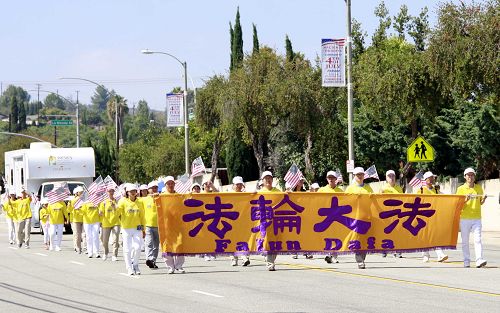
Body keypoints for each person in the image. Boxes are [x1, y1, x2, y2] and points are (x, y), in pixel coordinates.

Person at [456, 168, 487, 268]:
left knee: (478, 239)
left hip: (477, 218)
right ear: (465, 177)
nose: (470, 177)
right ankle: (466, 261)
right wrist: (465, 199)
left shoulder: (478, 188)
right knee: (465, 241)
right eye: (468, 175)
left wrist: (484, 199)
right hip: (464, 218)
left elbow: (480, 202)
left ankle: (479, 260)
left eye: (472, 175)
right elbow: (458, 204)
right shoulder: (460, 189)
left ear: (474, 176)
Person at [345, 167, 374, 269]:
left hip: (366, 217)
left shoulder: (368, 188)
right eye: (357, 175)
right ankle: (359, 260)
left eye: (361, 174)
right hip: (355, 218)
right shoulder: (350, 188)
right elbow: (346, 202)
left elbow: (373, 202)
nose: (360, 176)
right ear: (354, 176)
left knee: (364, 238)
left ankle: (362, 258)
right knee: (357, 238)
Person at [418, 171, 448, 263]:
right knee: (425, 236)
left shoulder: (436, 190)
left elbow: (445, 198)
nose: (432, 180)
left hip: (434, 215)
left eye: (433, 178)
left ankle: (440, 254)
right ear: (425, 180)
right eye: (430, 178)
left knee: (435, 235)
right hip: (424, 215)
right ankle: (425, 255)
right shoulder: (421, 190)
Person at [117, 184, 146, 275]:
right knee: (127, 249)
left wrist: (143, 229)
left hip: (137, 228)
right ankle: (129, 267)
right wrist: (115, 208)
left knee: (138, 247)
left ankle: (136, 265)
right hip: (126, 228)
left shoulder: (139, 202)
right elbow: (118, 213)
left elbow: (142, 216)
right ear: (127, 192)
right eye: (131, 191)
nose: (133, 193)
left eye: (134, 191)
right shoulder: (122, 201)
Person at [162, 176, 186, 274]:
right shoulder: (161, 197)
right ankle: (170, 266)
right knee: (167, 246)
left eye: (172, 183)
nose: (170, 185)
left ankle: (179, 265)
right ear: (165, 185)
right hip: (166, 225)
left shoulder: (179, 196)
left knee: (180, 244)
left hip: (178, 224)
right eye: (168, 183)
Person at [318, 171, 343, 264]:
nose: (331, 179)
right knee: (327, 237)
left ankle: (333, 256)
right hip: (326, 218)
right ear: (327, 179)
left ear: (336, 179)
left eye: (333, 177)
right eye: (329, 178)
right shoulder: (322, 190)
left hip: (337, 218)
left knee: (336, 236)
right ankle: (328, 254)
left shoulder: (340, 191)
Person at [258, 171, 281, 271]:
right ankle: (270, 263)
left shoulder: (278, 192)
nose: (268, 180)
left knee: (274, 243)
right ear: (262, 181)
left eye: (270, 178)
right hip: (264, 222)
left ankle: (269, 259)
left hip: (276, 222)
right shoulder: (259, 193)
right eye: (266, 178)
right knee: (267, 241)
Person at [380, 170, 403, 258]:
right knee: (386, 232)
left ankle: (397, 250)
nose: (392, 178)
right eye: (389, 176)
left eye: (393, 176)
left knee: (397, 232)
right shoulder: (383, 188)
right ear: (386, 178)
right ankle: (384, 249)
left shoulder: (399, 188)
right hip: (387, 213)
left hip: (397, 213)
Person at [230, 176, 251, 267]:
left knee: (243, 240)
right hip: (231, 221)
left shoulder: (246, 195)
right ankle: (234, 259)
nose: (239, 186)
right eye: (237, 184)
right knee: (233, 240)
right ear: (233, 185)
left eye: (240, 184)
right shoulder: (228, 195)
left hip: (243, 221)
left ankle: (245, 258)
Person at [99, 186, 120, 261]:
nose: (111, 192)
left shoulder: (117, 201)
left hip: (116, 222)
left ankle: (114, 255)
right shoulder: (104, 202)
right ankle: (105, 252)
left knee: (115, 239)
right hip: (106, 223)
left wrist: (115, 207)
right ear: (107, 192)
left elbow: (119, 212)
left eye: (112, 191)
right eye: (109, 191)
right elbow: (101, 212)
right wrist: (101, 213)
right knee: (105, 240)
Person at [142, 181, 160, 269]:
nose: (154, 189)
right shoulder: (144, 199)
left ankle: (153, 261)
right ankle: (149, 258)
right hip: (148, 225)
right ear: (148, 190)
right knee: (149, 243)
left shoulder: (161, 198)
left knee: (156, 245)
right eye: (152, 188)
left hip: (159, 225)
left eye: (156, 187)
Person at [68, 186, 84, 254]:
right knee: (77, 234)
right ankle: (77, 247)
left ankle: (85, 247)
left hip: (84, 219)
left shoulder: (84, 200)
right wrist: (70, 206)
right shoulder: (73, 200)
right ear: (77, 193)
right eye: (81, 192)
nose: (82, 193)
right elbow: (69, 210)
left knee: (84, 234)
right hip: (75, 219)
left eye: (82, 192)